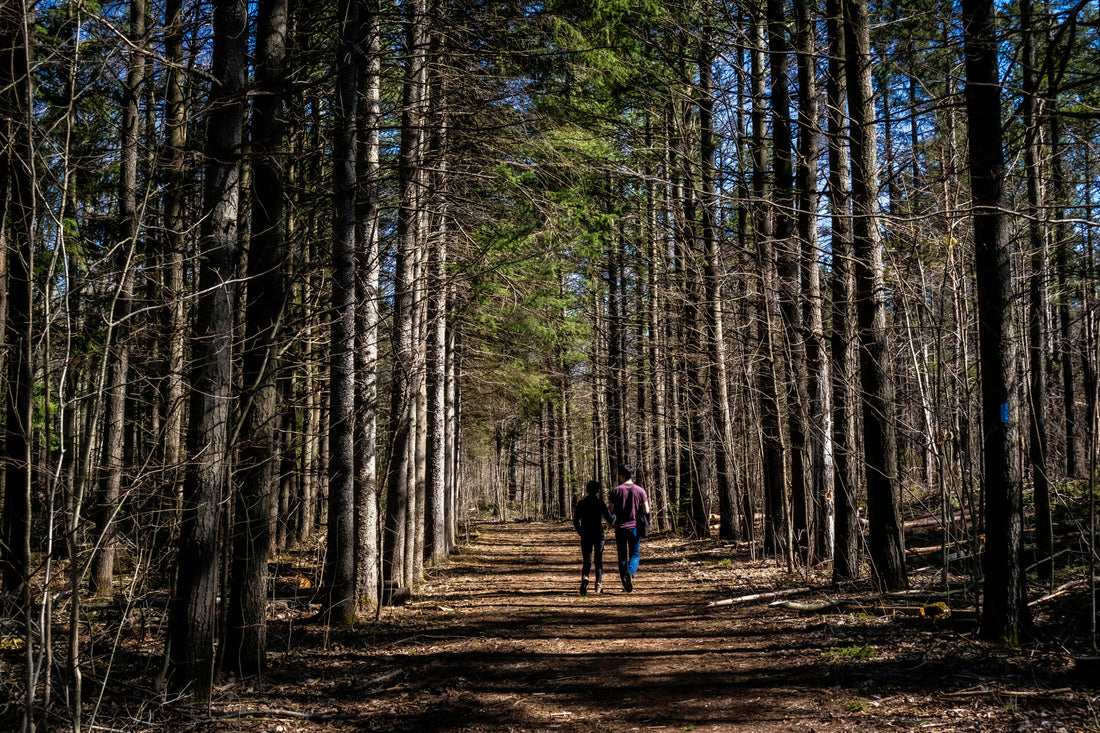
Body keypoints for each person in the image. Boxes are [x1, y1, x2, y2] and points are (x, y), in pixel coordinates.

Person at [608, 464, 650, 592]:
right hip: (635, 527)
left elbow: (610, 509)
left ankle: (625, 583)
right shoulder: (640, 490)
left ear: (622, 476)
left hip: (620, 527)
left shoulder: (616, 491)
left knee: (622, 556)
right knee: (634, 554)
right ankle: (630, 573)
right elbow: (646, 509)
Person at [573, 480, 616, 595]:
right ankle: (598, 584)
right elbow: (611, 520)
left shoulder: (581, 503)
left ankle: (585, 577)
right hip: (598, 535)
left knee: (587, 560)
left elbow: (575, 520)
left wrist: (580, 531)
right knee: (598, 561)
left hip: (586, 534)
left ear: (587, 490)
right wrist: (615, 514)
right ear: (598, 491)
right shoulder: (600, 503)